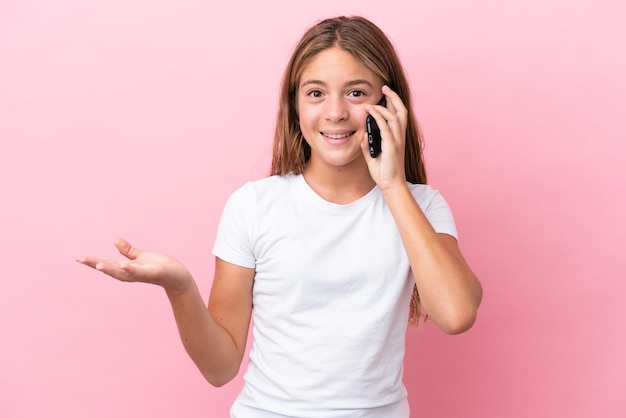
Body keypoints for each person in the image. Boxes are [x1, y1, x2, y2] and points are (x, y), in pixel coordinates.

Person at [76, 15, 482, 418]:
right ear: (295, 105)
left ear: (388, 103)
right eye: (316, 93)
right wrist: (179, 286)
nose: (336, 112)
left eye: (356, 93)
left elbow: (456, 313)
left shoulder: (422, 206)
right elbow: (220, 368)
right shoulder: (254, 206)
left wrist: (393, 185)